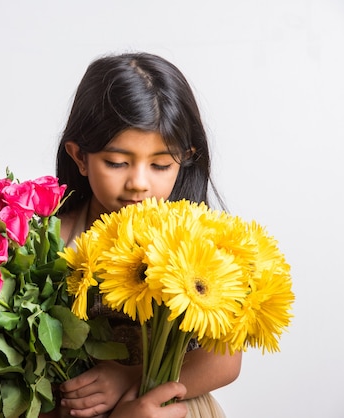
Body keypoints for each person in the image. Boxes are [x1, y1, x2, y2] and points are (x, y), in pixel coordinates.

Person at [54, 52, 242, 417]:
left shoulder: (200, 240)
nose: (139, 183)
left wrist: (131, 378)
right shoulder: (54, 238)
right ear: (79, 157)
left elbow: (225, 361)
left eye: (160, 165)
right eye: (117, 163)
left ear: (184, 158)